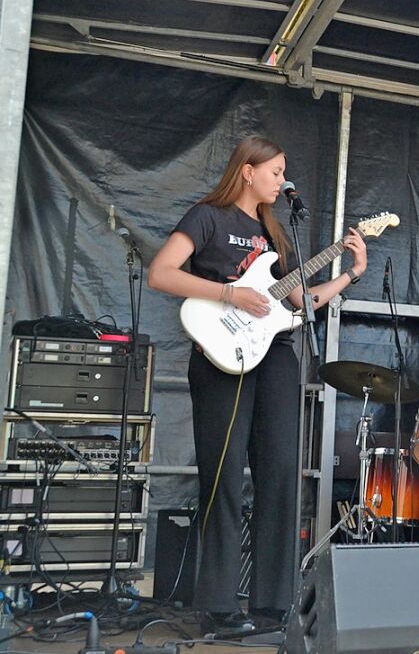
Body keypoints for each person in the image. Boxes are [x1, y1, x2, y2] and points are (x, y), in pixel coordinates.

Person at [147, 135, 367, 635]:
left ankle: (272, 605)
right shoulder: (208, 216)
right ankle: (219, 608)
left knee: (281, 478)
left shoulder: (278, 234)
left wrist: (351, 274)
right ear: (247, 170)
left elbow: (300, 303)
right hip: (220, 359)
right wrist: (230, 293)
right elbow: (161, 273)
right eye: (275, 171)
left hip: (276, 360)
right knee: (223, 478)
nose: (282, 180)